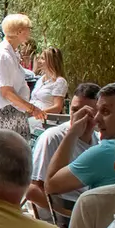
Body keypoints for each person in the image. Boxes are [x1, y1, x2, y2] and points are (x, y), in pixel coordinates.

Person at [44, 80, 115, 196]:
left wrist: (72, 133)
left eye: (105, 111)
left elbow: (51, 185)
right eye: (97, 111)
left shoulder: (108, 151)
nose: (96, 119)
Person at [29, 83, 100, 218]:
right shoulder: (53, 138)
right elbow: (33, 190)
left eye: (86, 112)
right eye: (74, 110)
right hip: (59, 217)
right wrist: (68, 214)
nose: (78, 116)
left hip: (88, 213)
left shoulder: (99, 140)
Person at [0, 13, 43, 137]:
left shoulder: (10, 53)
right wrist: (32, 108)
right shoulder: (3, 55)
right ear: (19, 31)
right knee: (15, 151)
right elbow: (7, 92)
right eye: (28, 28)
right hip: (6, 111)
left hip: (12, 110)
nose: (29, 32)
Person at [30, 47, 69, 116]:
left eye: (42, 58)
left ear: (51, 61)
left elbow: (57, 108)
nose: (39, 61)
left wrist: (36, 113)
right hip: (32, 117)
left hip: (45, 120)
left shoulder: (59, 82)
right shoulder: (40, 79)